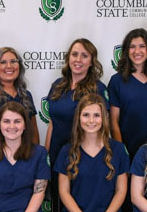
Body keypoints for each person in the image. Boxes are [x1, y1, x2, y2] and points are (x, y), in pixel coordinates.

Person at [44, 38, 108, 166]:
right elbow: (52, 123)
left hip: (82, 157)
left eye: (84, 56)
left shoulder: (97, 89)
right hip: (56, 153)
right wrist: (45, 154)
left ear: (91, 62)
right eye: (74, 54)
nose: (78, 59)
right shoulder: (57, 86)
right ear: (68, 58)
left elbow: (104, 127)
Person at [108, 28, 147, 159]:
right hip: (128, 149)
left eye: (142, 46)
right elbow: (113, 120)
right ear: (126, 51)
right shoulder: (117, 81)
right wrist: (121, 150)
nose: (137, 51)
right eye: (132, 47)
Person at [0, 46, 39, 146]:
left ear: (19, 65)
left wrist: (34, 157)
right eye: (3, 62)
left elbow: (33, 133)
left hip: (25, 157)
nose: (9, 66)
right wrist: (7, 155)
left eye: (13, 61)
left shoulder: (26, 95)